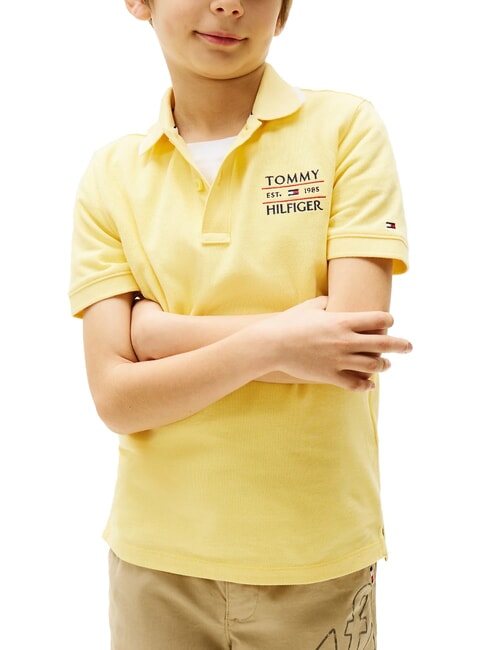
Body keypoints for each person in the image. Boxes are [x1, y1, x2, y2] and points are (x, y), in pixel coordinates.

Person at [69, 0, 412, 648]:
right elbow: (116, 398)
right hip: (155, 564)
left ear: (283, 10)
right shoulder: (110, 175)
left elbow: (350, 350)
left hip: (318, 559)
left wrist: (157, 336)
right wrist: (280, 343)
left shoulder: (346, 128)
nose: (228, 4)